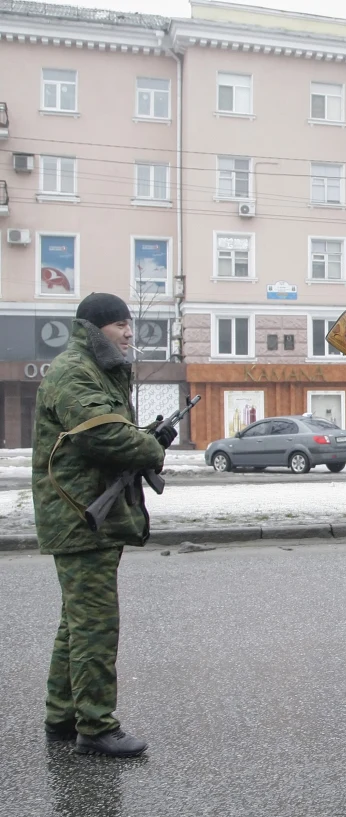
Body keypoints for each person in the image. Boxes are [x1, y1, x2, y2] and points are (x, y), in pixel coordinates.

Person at [32, 293, 177, 757]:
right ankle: (96, 726)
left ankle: (63, 716)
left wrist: (145, 437)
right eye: (119, 325)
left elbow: (110, 429)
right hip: (79, 516)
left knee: (75, 624)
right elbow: (104, 434)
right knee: (95, 624)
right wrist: (151, 448)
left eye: (129, 324)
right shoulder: (76, 371)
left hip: (83, 514)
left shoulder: (95, 368)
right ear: (95, 330)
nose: (129, 333)